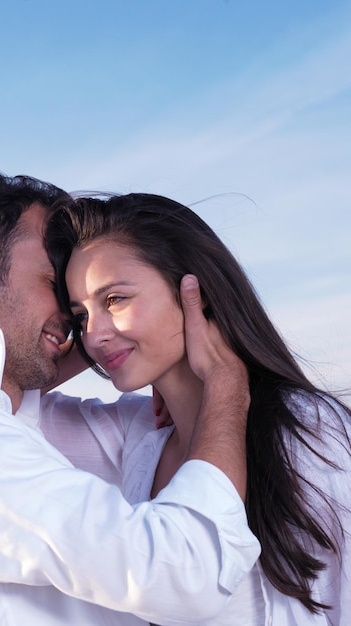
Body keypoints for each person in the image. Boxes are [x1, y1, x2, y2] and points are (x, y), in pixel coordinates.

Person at [0, 173, 260, 626]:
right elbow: (187, 571)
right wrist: (225, 384)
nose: (74, 319)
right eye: (50, 282)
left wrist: (152, 356)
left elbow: (14, 388)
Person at [45, 191, 351, 626]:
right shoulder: (137, 441)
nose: (94, 336)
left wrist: (225, 382)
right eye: (80, 317)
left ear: (195, 291)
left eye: (114, 300)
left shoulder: (308, 429)